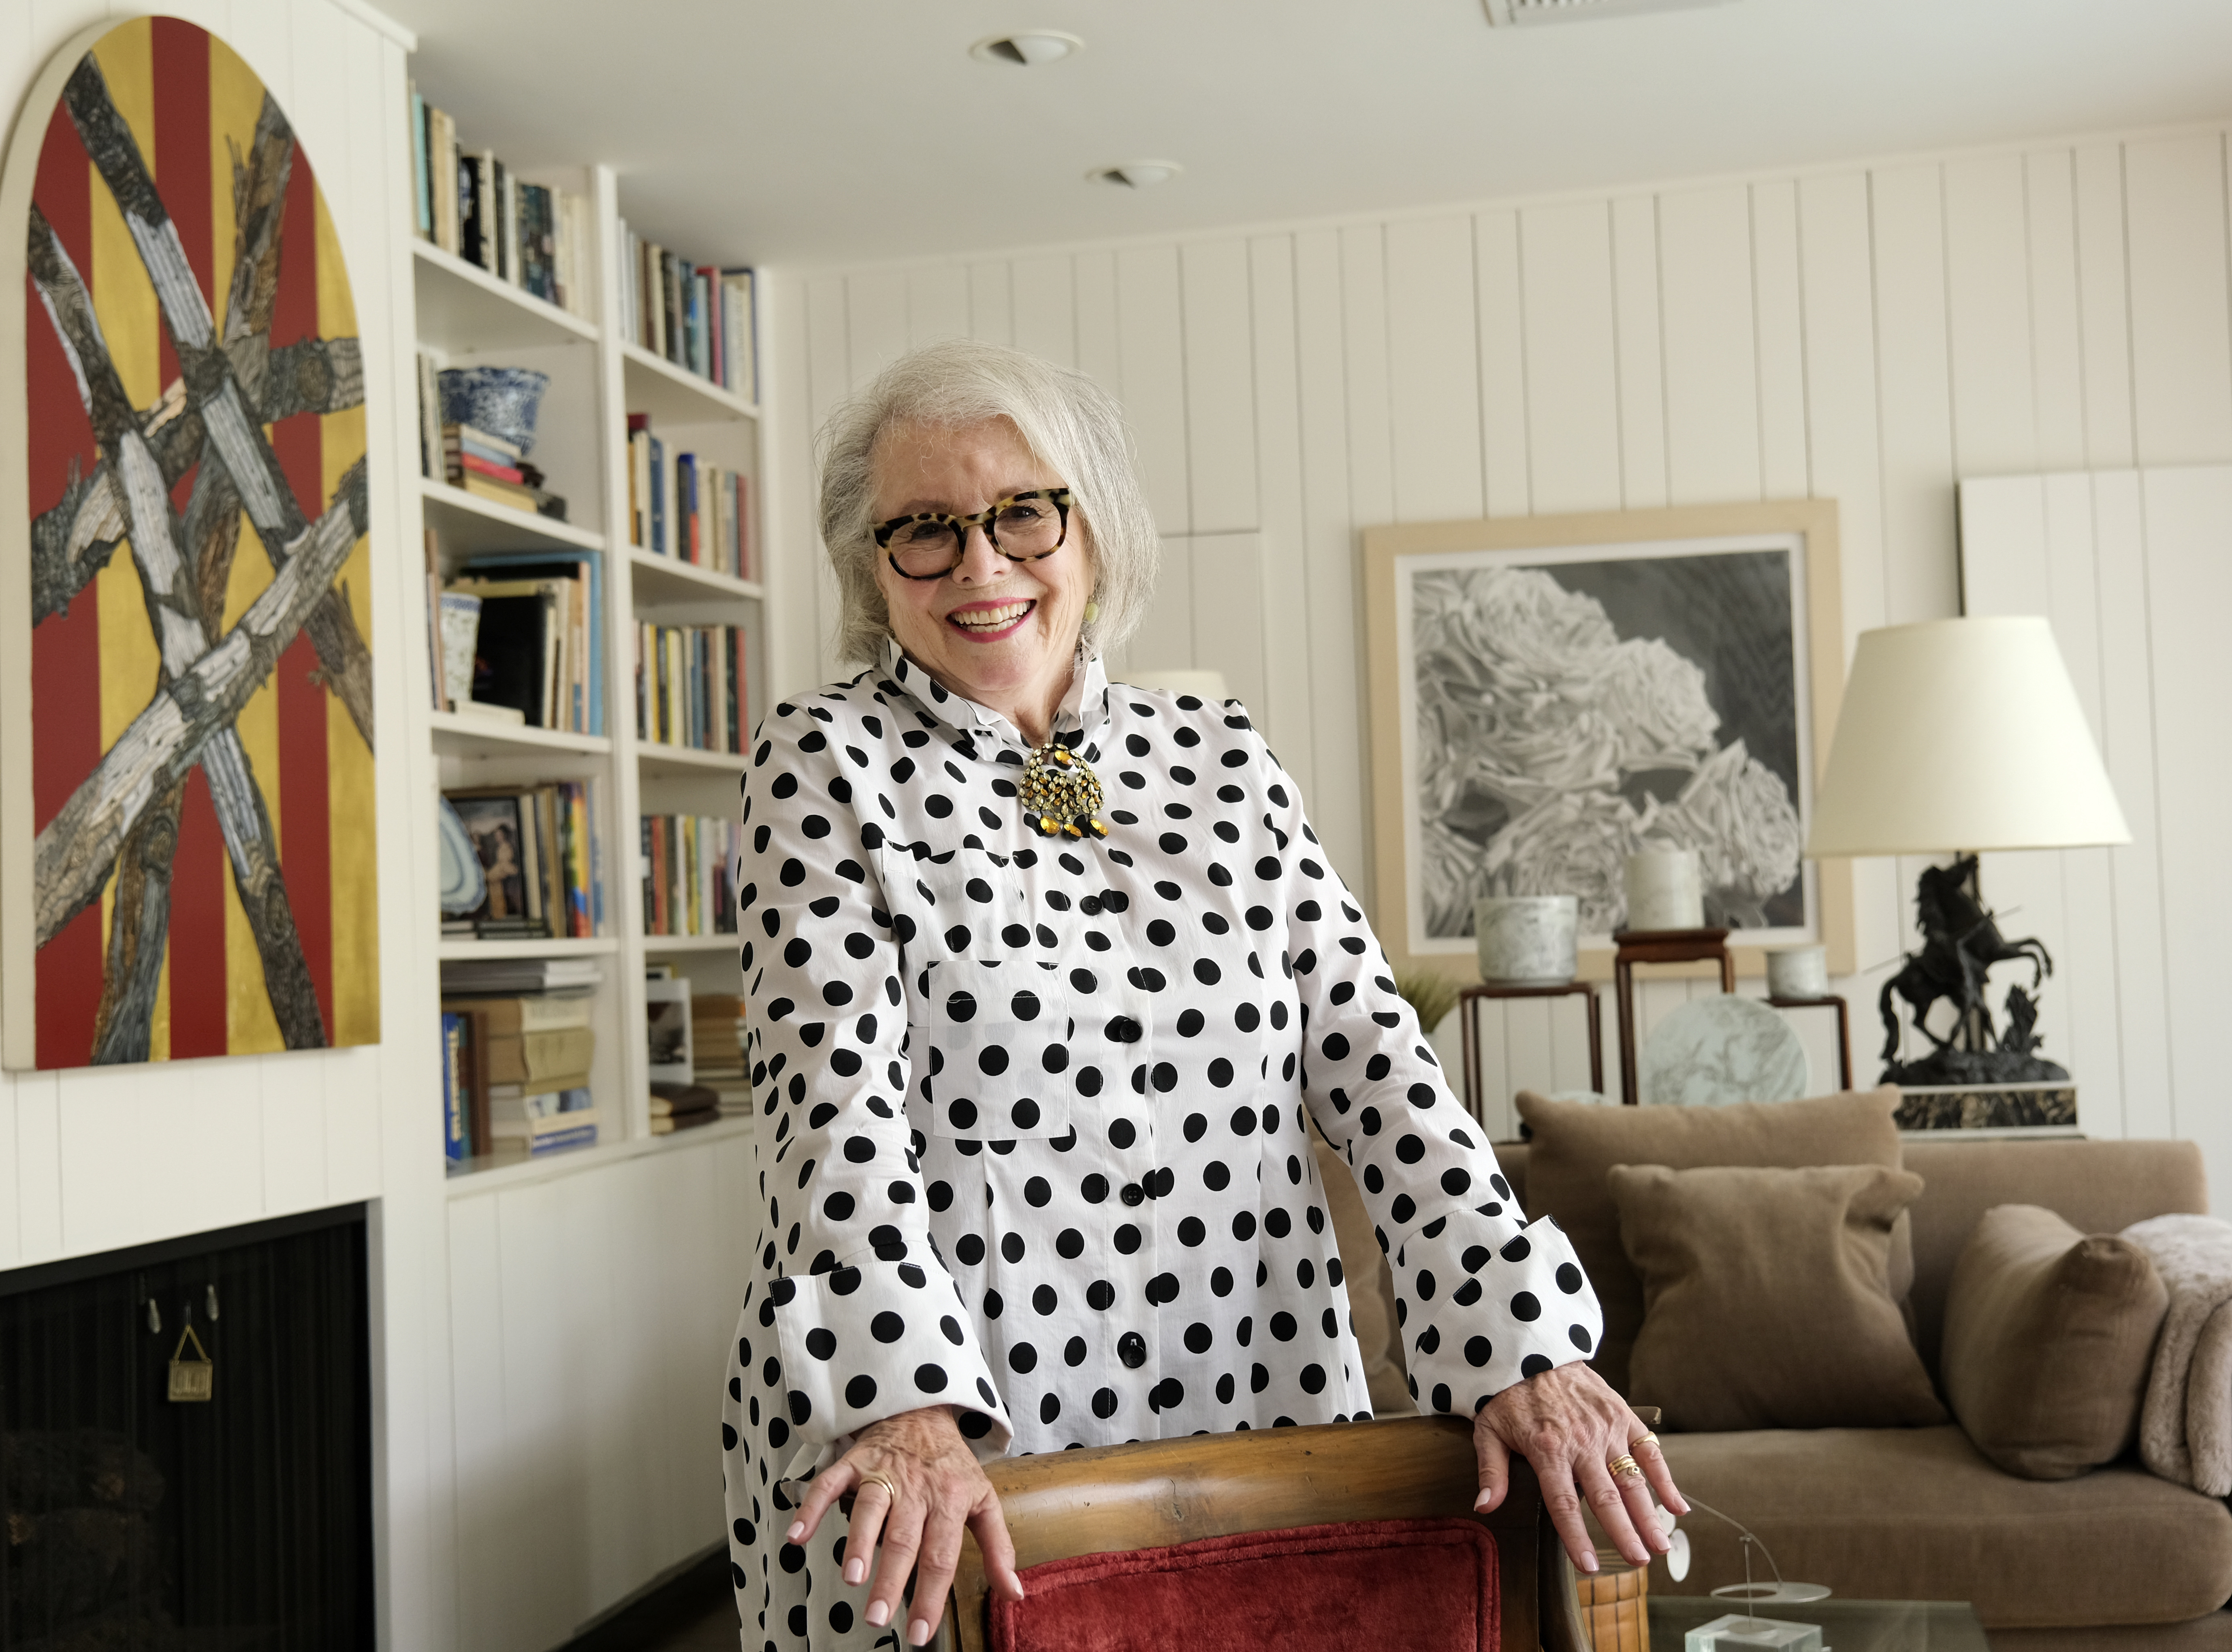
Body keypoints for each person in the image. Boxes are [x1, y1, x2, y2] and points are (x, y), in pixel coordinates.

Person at [719, 339, 1684, 1650]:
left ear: (1095, 532)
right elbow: (831, 1119)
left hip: (1252, 1401)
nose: (982, 566)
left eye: (1022, 513)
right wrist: (903, 1409)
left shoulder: (1218, 756)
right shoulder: (822, 761)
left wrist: (1522, 1337)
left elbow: (1370, 1054)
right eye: (924, 531)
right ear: (870, 565)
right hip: (968, 1429)